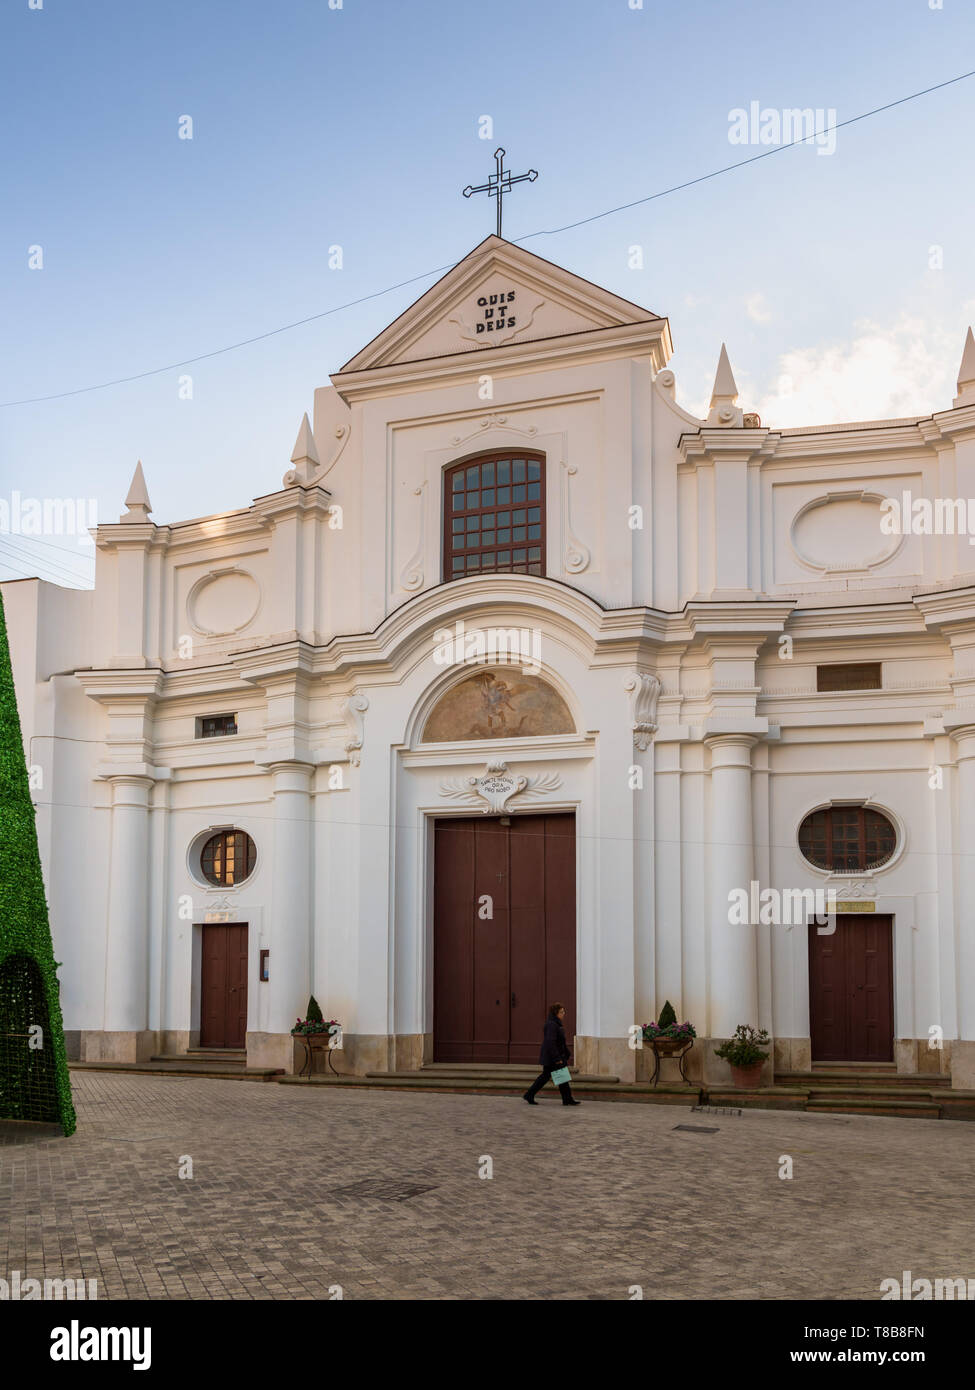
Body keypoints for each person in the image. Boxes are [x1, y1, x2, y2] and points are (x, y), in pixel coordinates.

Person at [523, 1002, 581, 1106]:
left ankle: (566, 1099)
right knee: (554, 1076)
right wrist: (557, 1058)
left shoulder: (555, 1024)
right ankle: (566, 1099)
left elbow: (560, 1042)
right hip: (552, 1057)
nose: (564, 1013)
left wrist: (566, 1053)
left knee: (557, 1077)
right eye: (561, 1012)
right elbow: (551, 1042)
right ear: (556, 1013)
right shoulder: (552, 1025)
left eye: (563, 1011)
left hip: (554, 1056)